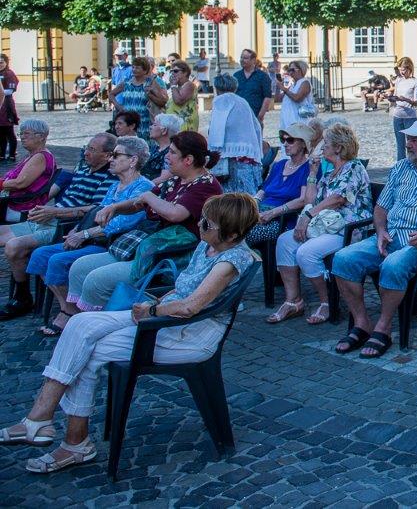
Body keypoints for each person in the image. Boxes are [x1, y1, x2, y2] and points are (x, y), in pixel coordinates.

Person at [1, 193, 258, 474]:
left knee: (87, 352)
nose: (200, 225)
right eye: (203, 220)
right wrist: (155, 305)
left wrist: (150, 312)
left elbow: (190, 306)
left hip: (188, 333)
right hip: (165, 317)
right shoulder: (209, 245)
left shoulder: (230, 260)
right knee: (79, 324)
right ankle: (40, 418)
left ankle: (72, 442)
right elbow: (182, 290)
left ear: (232, 233)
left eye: (207, 224)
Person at [331, 119, 417, 359]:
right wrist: (381, 230)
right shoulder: (402, 167)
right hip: (391, 236)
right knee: (343, 259)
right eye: (408, 139)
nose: (408, 144)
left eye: (414, 140)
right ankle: (362, 323)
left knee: (394, 264)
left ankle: (384, 327)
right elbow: (381, 208)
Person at [64, 131, 223, 315]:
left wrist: (147, 196)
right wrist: (114, 208)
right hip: (149, 249)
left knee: (96, 280)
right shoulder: (177, 180)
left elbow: (175, 214)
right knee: (79, 267)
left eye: (171, 153)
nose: (167, 157)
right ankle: (74, 317)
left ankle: (101, 323)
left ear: (188, 159)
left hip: (171, 256)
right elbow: (138, 203)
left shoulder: (205, 185)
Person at [25, 137, 152, 336]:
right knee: (40, 255)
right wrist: (78, 230)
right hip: (95, 237)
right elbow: (97, 214)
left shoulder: (143, 187)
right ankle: (69, 307)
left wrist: (84, 234)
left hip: (113, 244)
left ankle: (69, 312)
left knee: (58, 260)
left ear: (133, 160)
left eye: (116, 155)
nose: (111, 159)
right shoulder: (115, 186)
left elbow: (123, 223)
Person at [0, 133, 117, 321]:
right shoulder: (82, 168)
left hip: (62, 225)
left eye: (92, 150)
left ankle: (22, 297)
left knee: (14, 247)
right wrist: (47, 208)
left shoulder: (109, 177)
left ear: (107, 155)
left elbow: (95, 210)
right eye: (86, 147)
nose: (85, 153)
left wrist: (55, 212)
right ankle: (21, 292)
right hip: (49, 217)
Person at [270, 122, 371, 325]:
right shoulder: (329, 172)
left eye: (326, 143)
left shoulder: (354, 167)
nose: (321, 147)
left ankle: (327, 302)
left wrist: (306, 218)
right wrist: (312, 174)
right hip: (323, 226)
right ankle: (293, 300)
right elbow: (310, 201)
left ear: (339, 147)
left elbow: (337, 199)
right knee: (285, 241)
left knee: (306, 252)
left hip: (347, 229)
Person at [247, 120, 315, 254]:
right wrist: (254, 202)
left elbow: (303, 199)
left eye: (290, 140)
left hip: (283, 219)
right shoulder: (279, 164)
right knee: (226, 226)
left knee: (240, 235)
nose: (285, 144)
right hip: (260, 213)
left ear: (303, 144)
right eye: (282, 139)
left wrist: (273, 213)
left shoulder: (309, 168)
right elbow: (263, 190)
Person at [207, 73, 263, 195]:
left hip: (225, 157)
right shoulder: (242, 102)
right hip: (246, 154)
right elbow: (256, 127)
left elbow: (215, 129)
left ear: (217, 88)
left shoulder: (220, 101)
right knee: (245, 196)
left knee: (227, 197)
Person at [0, 119, 57, 230]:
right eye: (20, 133)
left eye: (26, 133)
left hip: (19, 204)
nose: (22, 137)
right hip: (14, 200)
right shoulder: (33, 155)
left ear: (41, 136)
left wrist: (1, 183)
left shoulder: (40, 157)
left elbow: (20, 183)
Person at [110, 57, 165, 138]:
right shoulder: (127, 82)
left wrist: (151, 95)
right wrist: (119, 107)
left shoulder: (151, 83)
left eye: (137, 68)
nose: (134, 69)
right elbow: (111, 94)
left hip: (144, 122)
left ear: (145, 70)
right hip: (129, 122)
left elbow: (163, 101)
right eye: (133, 67)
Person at [384, 58, 417, 160]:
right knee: (400, 145)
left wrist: (406, 99)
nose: (401, 72)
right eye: (400, 70)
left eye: (403, 70)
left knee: (411, 144)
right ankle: (400, 166)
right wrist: (390, 97)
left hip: (410, 117)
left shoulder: (415, 82)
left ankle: (413, 164)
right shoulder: (399, 80)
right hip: (398, 115)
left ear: (409, 68)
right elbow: (395, 96)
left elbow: (416, 102)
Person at [233, 49, 274, 125]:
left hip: (255, 116)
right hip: (238, 117)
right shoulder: (236, 76)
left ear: (253, 60)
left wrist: (260, 116)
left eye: (245, 58)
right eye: (241, 57)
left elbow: (267, 97)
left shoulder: (263, 76)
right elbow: (232, 95)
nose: (242, 60)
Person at [272, 59, 314, 130]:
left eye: (292, 70)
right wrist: (278, 87)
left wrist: (283, 88)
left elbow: (297, 98)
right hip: (287, 121)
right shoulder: (292, 85)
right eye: (289, 70)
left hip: (299, 121)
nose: (290, 72)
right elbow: (277, 99)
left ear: (300, 70)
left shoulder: (305, 83)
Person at [143, 114, 182, 181]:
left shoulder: (171, 152)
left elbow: (163, 178)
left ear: (164, 131)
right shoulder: (155, 148)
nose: (150, 127)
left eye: (154, 125)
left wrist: (142, 187)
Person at [164, 60, 198, 133]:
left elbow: (179, 101)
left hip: (185, 125)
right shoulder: (176, 87)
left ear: (185, 73)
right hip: (174, 126)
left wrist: (173, 85)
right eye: (171, 71)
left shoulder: (189, 85)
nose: (173, 73)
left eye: (176, 71)